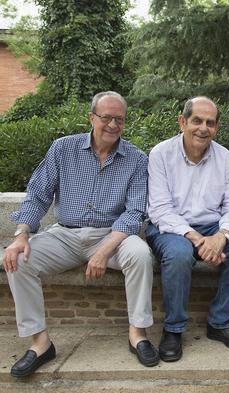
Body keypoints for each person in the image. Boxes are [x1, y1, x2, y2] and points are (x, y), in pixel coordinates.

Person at [2, 91, 158, 377]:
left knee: (140, 254)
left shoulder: (136, 159)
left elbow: (135, 212)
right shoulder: (63, 149)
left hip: (113, 236)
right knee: (18, 260)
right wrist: (22, 234)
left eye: (119, 119)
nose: (112, 124)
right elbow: (38, 196)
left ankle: (138, 333)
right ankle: (40, 343)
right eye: (106, 117)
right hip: (65, 234)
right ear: (91, 117)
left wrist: (103, 250)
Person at [146, 96, 229, 362]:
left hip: (212, 227)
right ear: (182, 122)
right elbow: (160, 210)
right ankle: (173, 329)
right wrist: (199, 239)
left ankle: (220, 322)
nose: (203, 128)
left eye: (210, 122)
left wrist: (221, 237)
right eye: (197, 121)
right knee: (179, 253)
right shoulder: (161, 154)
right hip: (170, 229)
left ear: (217, 127)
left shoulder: (225, 158)